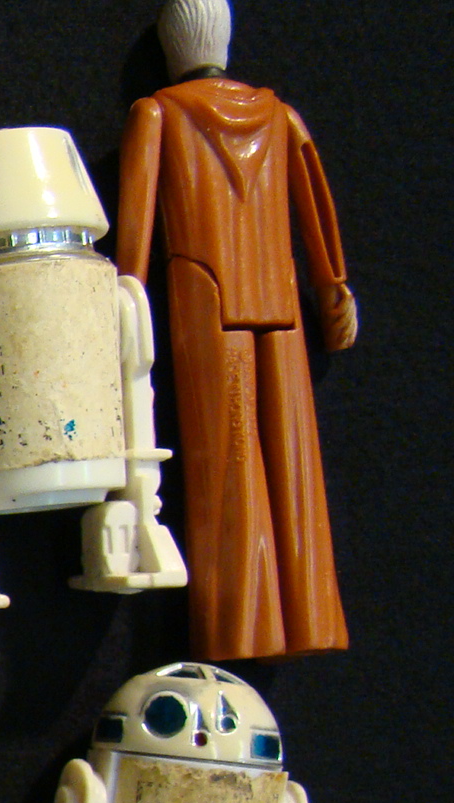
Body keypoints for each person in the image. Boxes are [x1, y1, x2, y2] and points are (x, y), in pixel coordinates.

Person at [118, 0, 357, 660]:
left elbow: (137, 228)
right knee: (298, 468)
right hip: (280, 300)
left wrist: (125, 302)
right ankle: (313, 619)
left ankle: (240, 629)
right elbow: (316, 205)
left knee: (227, 471)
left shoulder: (157, 114)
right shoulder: (279, 116)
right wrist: (332, 286)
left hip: (206, 305)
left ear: (172, 46)